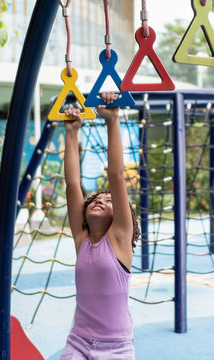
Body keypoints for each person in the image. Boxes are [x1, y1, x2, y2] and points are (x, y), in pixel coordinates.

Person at [59, 92, 139, 360]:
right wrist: (72, 133)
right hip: (78, 342)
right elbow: (72, 184)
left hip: (115, 347)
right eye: (96, 198)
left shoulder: (118, 239)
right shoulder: (82, 240)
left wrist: (112, 121)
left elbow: (116, 175)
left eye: (109, 200)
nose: (100, 200)